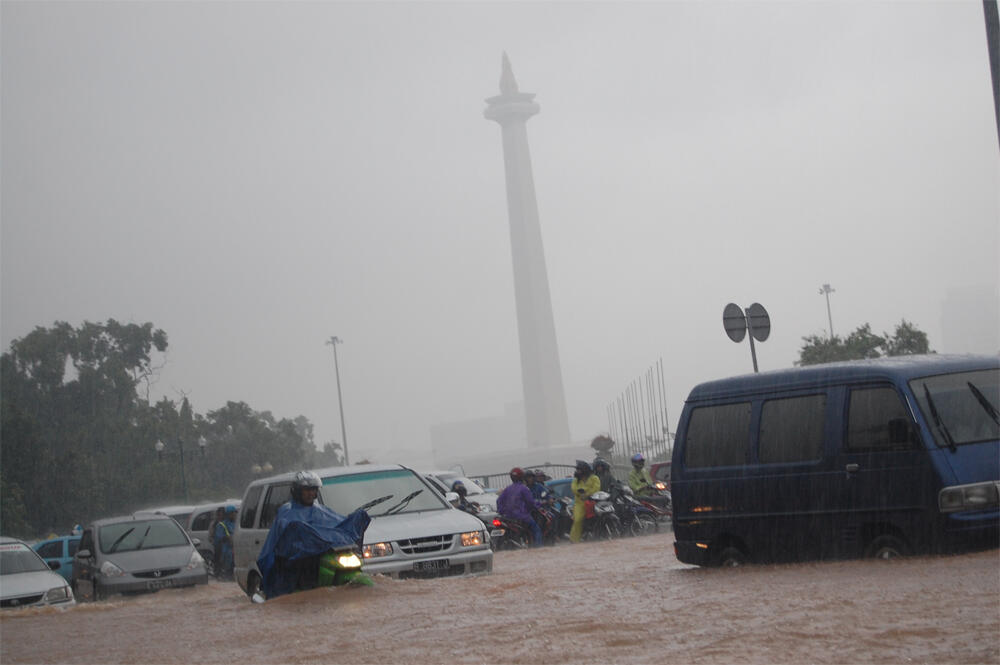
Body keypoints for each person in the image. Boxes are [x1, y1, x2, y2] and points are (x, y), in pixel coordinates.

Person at [255, 470, 371, 602]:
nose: (311, 493)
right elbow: (288, 536)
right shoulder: (287, 512)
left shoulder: (321, 510)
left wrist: (356, 520)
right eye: (307, 490)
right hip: (295, 561)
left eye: (313, 489)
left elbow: (338, 524)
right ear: (298, 491)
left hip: (324, 554)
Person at [496, 468, 542, 546]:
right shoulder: (524, 489)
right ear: (522, 477)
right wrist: (537, 505)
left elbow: (499, 501)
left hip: (508, 518)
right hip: (522, 517)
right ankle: (538, 548)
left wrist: (502, 511)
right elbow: (530, 502)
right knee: (537, 530)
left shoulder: (507, 489)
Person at [570, 460, 601, 543]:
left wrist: (586, 493)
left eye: (579, 470)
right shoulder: (575, 480)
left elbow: (596, 488)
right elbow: (574, 489)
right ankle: (574, 540)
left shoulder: (594, 478)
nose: (577, 472)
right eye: (577, 470)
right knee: (577, 520)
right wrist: (580, 492)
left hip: (593, 502)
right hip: (579, 504)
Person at [214, 506, 236, 580]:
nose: (234, 515)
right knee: (227, 572)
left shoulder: (237, 524)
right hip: (226, 552)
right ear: (228, 514)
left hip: (234, 551)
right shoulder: (221, 525)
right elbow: (218, 537)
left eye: (235, 513)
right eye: (232, 513)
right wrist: (227, 538)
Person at [208, 507, 225, 575]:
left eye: (223, 514)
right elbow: (210, 536)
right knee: (217, 559)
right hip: (217, 545)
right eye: (220, 514)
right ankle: (217, 572)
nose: (221, 515)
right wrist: (214, 541)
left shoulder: (226, 522)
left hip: (225, 545)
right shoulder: (214, 524)